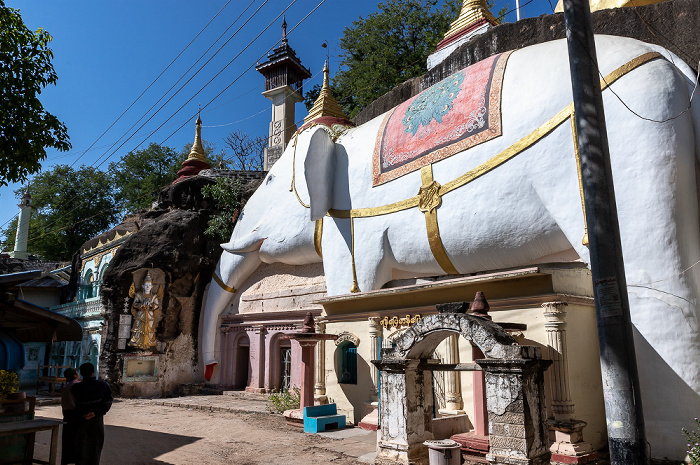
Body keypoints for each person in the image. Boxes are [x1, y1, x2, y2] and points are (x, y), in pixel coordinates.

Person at [70, 363, 113, 465]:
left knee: (81, 446)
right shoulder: (103, 385)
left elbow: (73, 405)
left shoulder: (75, 388)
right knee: (95, 446)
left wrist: (83, 413)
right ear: (93, 372)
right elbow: (108, 401)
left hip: (81, 420)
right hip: (96, 421)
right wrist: (96, 413)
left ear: (81, 373)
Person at [128, 271, 160, 349]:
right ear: (143, 286)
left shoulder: (153, 296)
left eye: (149, 285)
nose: (148, 287)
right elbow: (134, 304)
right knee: (138, 328)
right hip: (140, 314)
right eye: (146, 285)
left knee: (150, 330)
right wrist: (141, 305)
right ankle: (136, 343)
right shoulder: (139, 295)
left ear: (152, 286)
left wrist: (151, 305)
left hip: (149, 315)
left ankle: (149, 343)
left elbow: (157, 306)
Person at [60, 367, 80, 465]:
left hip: (67, 416)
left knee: (67, 441)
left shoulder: (65, 388)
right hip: (75, 415)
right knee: (77, 441)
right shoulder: (78, 386)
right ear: (74, 375)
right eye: (77, 372)